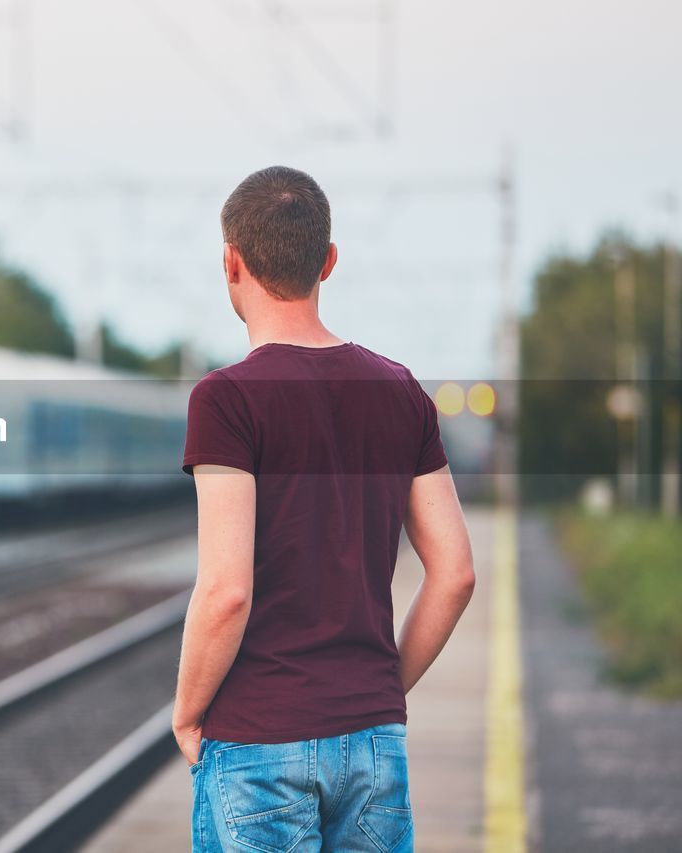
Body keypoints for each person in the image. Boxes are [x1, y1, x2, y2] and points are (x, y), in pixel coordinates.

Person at [174, 166, 476, 852]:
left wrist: (188, 711)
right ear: (328, 262)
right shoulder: (401, 392)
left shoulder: (225, 400)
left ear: (231, 261)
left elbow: (226, 591)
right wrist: (379, 691)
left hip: (258, 742)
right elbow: (455, 573)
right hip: (373, 741)